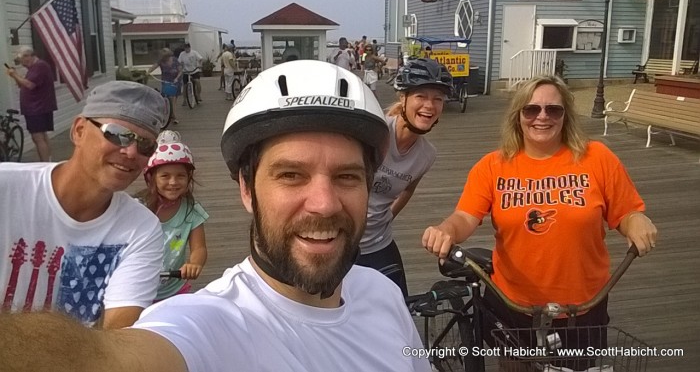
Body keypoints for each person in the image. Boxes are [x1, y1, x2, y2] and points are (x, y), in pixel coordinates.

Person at [0, 60, 430, 372]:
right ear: (246, 189)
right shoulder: (208, 324)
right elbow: (107, 360)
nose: (324, 202)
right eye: (291, 175)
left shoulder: (383, 295)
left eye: (347, 176)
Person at [422, 75, 658, 368]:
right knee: (514, 367)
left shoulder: (597, 158)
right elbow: (465, 217)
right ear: (517, 116)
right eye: (531, 110)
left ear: (566, 115)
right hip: (512, 304)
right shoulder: (492, 166)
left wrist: (636, 221)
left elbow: (626, 212)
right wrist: (446, 230)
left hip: (583, 307)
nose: (542, 117)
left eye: (553, 110)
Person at [0, 80, 168, 329]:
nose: (131, 152)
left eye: (145, 145)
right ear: (79, 130)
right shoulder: (6, 188)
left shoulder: (140, 228)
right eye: (118, 134)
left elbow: (117, 334)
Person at [356, 58, 452, 297]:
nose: (429, 105)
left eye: (438, 99)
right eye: (421, 96)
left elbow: (408, 189)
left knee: (398, 308)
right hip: (341, 243)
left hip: (378, 242)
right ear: (403, 98)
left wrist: (389, 216)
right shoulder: (374, 133)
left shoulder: (427, 154)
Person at [135, 130, 209, 301]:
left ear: (189, 178)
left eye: (180, 176)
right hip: (138, 288)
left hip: (174, 288)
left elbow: (199, 247)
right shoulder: (138, 208)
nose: (173, 182)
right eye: (165, 176)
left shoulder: (191, 210)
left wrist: (194, 263)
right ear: (151, 178)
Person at [5, 46, 57, 161]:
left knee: (37, 137)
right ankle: (48, 161)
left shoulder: (40, 66)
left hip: (37, 108)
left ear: (28, 56)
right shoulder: (34, 68)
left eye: (22, 60)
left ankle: (44, 165)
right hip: (37, 107)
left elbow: (30, 85)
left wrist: (14, 74)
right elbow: (23, 84)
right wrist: (15, 76)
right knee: (42, 135)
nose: (22, 64)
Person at [148, 48, 182, 124]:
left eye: (167, 56)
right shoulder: (161, 61)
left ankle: (174, 116)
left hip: (175, 82)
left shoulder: (175, 60)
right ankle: (167, 115)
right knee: (165, 99)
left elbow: (180, 70)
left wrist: (177, 78)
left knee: (173, 100)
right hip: (165, 81)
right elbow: (153, 67)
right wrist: (148, 72)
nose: (166, 58)